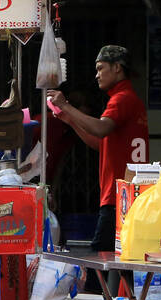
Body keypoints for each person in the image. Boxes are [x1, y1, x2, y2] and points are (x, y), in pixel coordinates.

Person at [46, 45, 148, 253]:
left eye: (101, 68)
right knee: (119, 259)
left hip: (119, 196)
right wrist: (70, 120)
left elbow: (101, 129)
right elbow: (101, 144)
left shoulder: (121, 99)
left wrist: (66, 106)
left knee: (101, 260)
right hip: (128, 193)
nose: (97, 75)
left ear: (117, 68)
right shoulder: (130, 99)